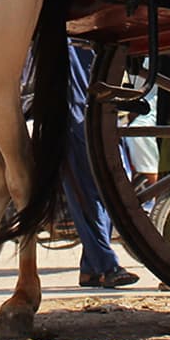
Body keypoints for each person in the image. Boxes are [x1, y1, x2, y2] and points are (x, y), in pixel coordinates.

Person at [62, 43, 138, 289]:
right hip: (75, 118)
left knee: (106, 189)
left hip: (97, 116)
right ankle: (106, 265)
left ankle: (92, 268)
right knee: (89, 192)